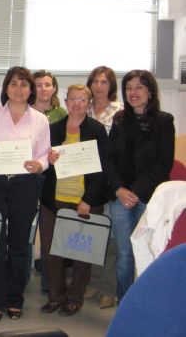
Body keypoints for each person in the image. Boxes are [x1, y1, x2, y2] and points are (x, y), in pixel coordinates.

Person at [0, 66, 50, 322]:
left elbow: (44, 154)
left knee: (18, 246)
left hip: (24, 186)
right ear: (6, 88)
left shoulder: (40, 119)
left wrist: (41, 165)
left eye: (24, 84)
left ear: (31, 89)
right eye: (14, 84)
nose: (19, 89)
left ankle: (15, 300)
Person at [39, 84, 109, 316]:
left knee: (81, 253)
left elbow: (102, 169)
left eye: (82, 100)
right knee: (51, 251)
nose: (77, 104)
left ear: (88, 103)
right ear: (66, 102)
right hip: (54, 200)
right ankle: (56, 296)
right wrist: (48, 160)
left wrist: (88, 199)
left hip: (84, 201)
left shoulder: (97, 130)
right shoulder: (53, 129)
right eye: (72, 99)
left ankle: (75, 297)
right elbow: (43, 165)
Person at [106, 70, 175, 302]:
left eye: (139, 87)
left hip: (149, 197)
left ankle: (147, 302)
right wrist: (119, 189)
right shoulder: (119, 120)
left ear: (150, 91)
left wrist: (134, 191)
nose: (133, 93)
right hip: (120, 197)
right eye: (128, 88)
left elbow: (162, 163)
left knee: (148, 251)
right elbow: (109, 159)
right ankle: (125, 303)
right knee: (124, 254)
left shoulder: (164, 121)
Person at [84, 66, 122, 309]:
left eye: (104, 82)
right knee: (92, 234)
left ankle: (109, 288)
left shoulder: (120, 112)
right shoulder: (82, 108)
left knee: (112, 239)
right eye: (95, 81)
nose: (99, 86)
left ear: (111, 86)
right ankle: (94, 282)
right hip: (87, 182)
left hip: (110, 181)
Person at [31, 69, 67, 290]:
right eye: (38, 84)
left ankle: (49, 283)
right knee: (27, 230)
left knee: (50, 234)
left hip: (54, 178)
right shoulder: (25, 111)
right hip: (29, 175)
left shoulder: (62, 113)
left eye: (47, 84)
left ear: (54, 87)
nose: (43, 89)